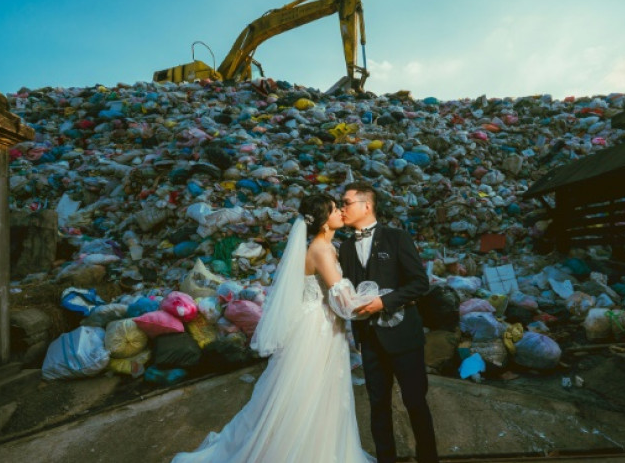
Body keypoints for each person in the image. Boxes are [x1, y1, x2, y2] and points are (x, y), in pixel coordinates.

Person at [172, 194, 375, 463]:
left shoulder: (327, 246)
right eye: (335, 209)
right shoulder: (321, 250)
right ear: (324, 221)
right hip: (317, 329)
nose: (341, 212)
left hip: (324, 324)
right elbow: (343, 299)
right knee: (309, 392)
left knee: (318, 391)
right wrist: (376, 301)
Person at [339, 181, 439, 463]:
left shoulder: (396, 238)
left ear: (366, 205)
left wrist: (385, 302)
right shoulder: (345, 248)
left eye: (346, 203)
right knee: (378, 405)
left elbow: (419, 283)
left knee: (415, 403)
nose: (342, 209)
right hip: (369, 339)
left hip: (403, 336)